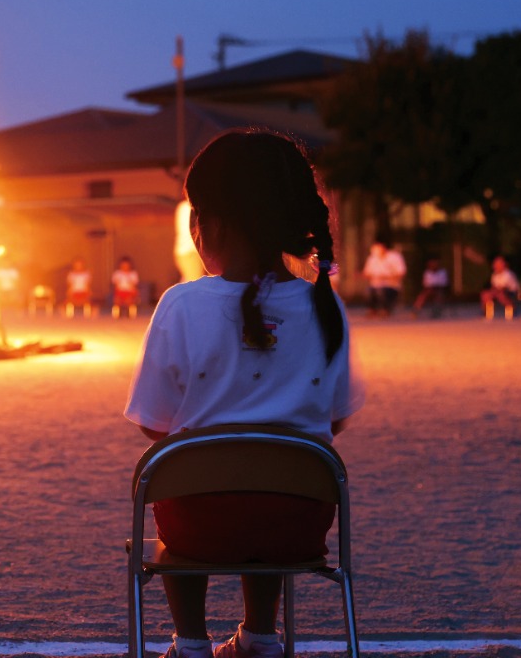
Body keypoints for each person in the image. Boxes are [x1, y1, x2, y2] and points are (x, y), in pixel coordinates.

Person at [124, 130, 364, 658]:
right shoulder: (326, 308)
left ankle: (190, 642)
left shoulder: (180, 306)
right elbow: (336, 420)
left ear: (207, 225)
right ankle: (260, 635)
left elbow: (152, 423)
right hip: (297, 524)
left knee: (177, 473)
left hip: (199, 524)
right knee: (270, 480)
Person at [361, 239, 405, 317]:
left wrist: (384, 277)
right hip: (375, 285)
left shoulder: (395, 257)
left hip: (391, 286)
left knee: (381, 291)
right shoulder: (372, 258)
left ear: (383, 247)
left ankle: (385, 310)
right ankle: (372, 310)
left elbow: (401, 273)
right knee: (368, 291)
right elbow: (367, 273)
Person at [481, 255, 521, 320]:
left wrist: (494, 291)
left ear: (503, 264)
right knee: (485, 294)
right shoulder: (494, 275)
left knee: (501, 294)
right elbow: (494, 287)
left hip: (511, 293)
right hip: (498, 292)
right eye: (495, 264)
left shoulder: (508, 274)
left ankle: (511, 310)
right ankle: (487, 313)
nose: (495, 266)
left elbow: (504, 287)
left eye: (498, 264)